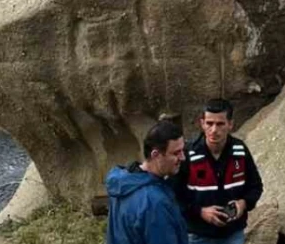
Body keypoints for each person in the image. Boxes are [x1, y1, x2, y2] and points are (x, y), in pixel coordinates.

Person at [172, 98, 263, 244]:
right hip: (196, 235)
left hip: (233, 234)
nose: (214, 130)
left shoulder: (240, 150)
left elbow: (256, 186)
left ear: (230, 124)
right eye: (209, 123)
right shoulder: (188, 154)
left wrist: (243, 203)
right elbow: (173, 195)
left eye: (220, 124)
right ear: (202, 123)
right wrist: (200, 212)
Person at [106, 120, 190, 244]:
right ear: (156, 155)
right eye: (176, 153)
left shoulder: (123, 183)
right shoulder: (155, 202)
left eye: (183, 150)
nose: (183, 157)